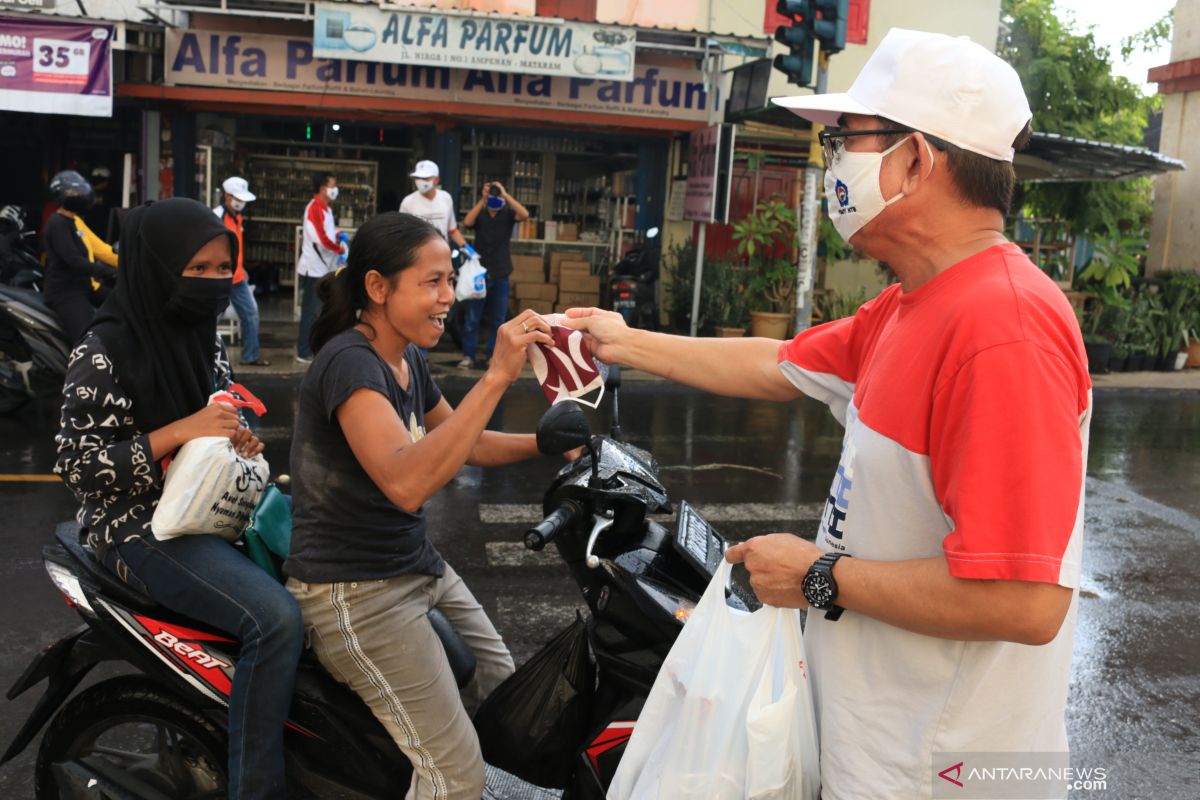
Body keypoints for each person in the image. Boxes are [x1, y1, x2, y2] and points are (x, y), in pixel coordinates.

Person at [565, 28, 1091, 799]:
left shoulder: (1002, 329)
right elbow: (779, 364)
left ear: (917, 159)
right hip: (877, 747)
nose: (831, 161)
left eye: (846, 140)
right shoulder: (913, 304)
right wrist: (623, 342)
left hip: (943, 769)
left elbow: (1024, 599)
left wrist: (816, 575)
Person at [284, 212, 564, 800]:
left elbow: (465, 441)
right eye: (433, 282)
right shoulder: (351, 364)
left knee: (503, 686)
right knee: (453, 775)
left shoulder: (404, 355)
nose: (449, 297)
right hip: (357, 593)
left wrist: (552, 444)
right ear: (378, 288)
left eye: (449, 280)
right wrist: (494, 378)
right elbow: (406, 482)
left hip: (414, 565)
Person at [54, 197, 303, 799]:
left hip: (204, 509)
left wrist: (236, 433)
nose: (215, 284)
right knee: (275, 621)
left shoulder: (201, 338)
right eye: (199, 270)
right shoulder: (103, 350)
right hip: (138, 530)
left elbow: (216, 410)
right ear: (157, 268)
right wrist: (179, 431)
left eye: (225, 270)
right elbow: (77, 467)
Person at [458, 181, 529, 369]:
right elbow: (467, 222)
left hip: (501, 272)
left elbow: (524, 214)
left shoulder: (507, 215)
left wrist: (505, 195)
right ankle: (468, 356)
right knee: (472, 318)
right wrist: (482, 199)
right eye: (492, 195)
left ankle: (493, 356)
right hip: (479, 274)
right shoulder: (481, 214)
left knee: (498, 319)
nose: (494, 199)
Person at [41, 170, 117, 343]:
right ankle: (80, 368)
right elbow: (72, 259)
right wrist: (107, 272)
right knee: (86, 340)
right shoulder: (57, 223)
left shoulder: (75, 221)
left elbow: (102, 250)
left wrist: (129, 261)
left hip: (86, 286)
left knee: (122, 305)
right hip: (66, 292)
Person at [215, 176, 269, 366]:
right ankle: (205, 357)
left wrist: (241, 267)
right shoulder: (217, 216)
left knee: (251, 314)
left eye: (242, 199)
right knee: (211, 318)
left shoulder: (237, 218)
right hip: (219, 278)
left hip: (237, 277)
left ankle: (250, 356)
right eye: (237, 198)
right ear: (226, 196)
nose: (241, 203)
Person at [296, 172, 347, 363]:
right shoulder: (314, 208)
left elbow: (327, 233)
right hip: (313, 267)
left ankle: (314, 346)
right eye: (333, 185)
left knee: (319, 310)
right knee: (310, 310)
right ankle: (303, 351)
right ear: (323, 188)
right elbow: (320, 238)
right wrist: (339, 247)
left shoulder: (325, 208)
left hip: (323, 267)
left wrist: (338, 235)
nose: (335, 189)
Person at [398, 160, 469, 251]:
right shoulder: (408, 202)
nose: (420, 181)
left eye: (425, 178)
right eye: (418, 178)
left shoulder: (446, 198)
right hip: (418, 255)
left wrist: (469, 251)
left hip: (442, 253)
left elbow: (452, 230)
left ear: (436, 180)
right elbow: (402, 234)